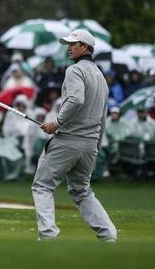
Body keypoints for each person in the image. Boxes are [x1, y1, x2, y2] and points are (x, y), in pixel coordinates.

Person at [32, 29, 117, 242]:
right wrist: (96, 146)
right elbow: (103, 117)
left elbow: (76, 100)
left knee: (42, 186)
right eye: (68, 44)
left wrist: (57, 123)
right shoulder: (101, 76)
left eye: (74, 44)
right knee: (82, 191)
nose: (69, 47)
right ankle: (108, 235)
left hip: (68, 140)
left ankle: (48, 236)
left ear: (86, 47)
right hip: (89, 144)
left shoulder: (74, 70)